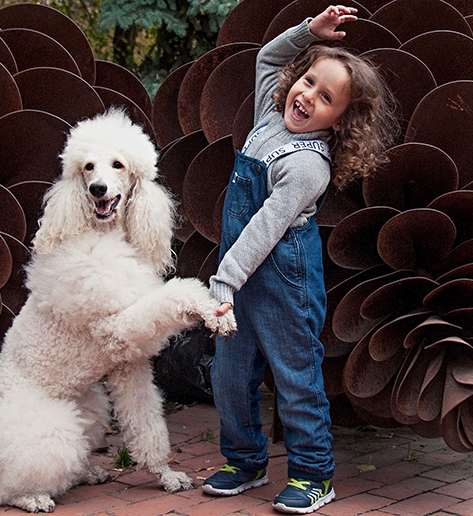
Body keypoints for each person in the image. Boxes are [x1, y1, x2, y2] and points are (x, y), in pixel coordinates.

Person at [201, 4, 399, 514]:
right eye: (307, 80)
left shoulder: (308, 163)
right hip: (241, 272)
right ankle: (243, 459)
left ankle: (314, 474)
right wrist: (310, 32)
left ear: (340, 121)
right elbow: (268, 57)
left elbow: (264, 229)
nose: (307, 95)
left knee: (295, 377)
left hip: (282, 277)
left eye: (326, 96)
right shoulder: (270, 116)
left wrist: (223, 283)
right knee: (230, 372)